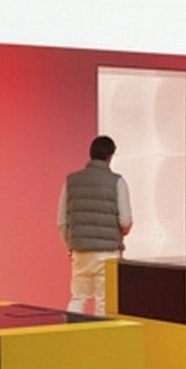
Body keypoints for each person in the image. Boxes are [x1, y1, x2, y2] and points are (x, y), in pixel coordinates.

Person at [57, 135, 132, 315]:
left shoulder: (71, 181)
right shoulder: (117, 181)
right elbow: (125, 221)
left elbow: (61, 222)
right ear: (110, 156)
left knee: (78, 299)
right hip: (108, 252)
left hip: (80, 251)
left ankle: (71, 331)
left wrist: (71, 246)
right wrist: (121, 233)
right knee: (104, 302)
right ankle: (101, 334)